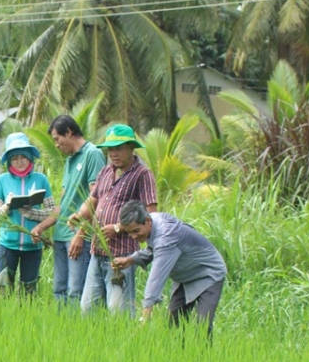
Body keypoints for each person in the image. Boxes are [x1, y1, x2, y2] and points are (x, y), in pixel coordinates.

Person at [68, 124, 157, 315]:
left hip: (121, 255)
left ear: (131, 148)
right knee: (87, 309)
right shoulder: (106, 171)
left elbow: (150, 215)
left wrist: (118, 227)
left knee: (118, 311)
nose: (114, 154)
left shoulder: (142, 175)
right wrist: (79, 215)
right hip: (97, 250)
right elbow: (93, 200)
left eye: (119, 148)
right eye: (111, 149)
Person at [113, 200, 227, 337]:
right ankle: (180, 356)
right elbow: (154, 249)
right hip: (185, 276)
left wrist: (144, 317)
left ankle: (204, 358)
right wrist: (130, 260)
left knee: (202, 326)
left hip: (208, 274)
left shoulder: (167, 235)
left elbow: (156, 277)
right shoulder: (153, 221)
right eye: (129, 233)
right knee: (174, 325)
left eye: (136, 231)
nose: (133, 237)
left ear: (147, 221)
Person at [30, 115, 106, 306]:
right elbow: (63, 204)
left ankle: (77, 332)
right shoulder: (69, 161)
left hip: (77, 238)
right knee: (59, 290)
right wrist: (41, 227)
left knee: (75, 292)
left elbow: (97, 199)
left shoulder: (92, 154)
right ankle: (62, 332)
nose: (56, 145)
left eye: (57, 139)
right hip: (61, 236)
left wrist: (81, 234)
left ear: (69, 132)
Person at [0, 132, 55, 296]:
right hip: (8, 246)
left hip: (33, 245)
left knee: (29, 292)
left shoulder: (41, 180)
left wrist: (32, 213)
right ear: (9, 160)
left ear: (30, 158)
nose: (19, 162)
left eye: (23, 157)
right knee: (3, 290)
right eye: (14, 158)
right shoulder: (2, 180)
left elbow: (52, 212)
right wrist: (7, 206)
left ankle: (25, 318)